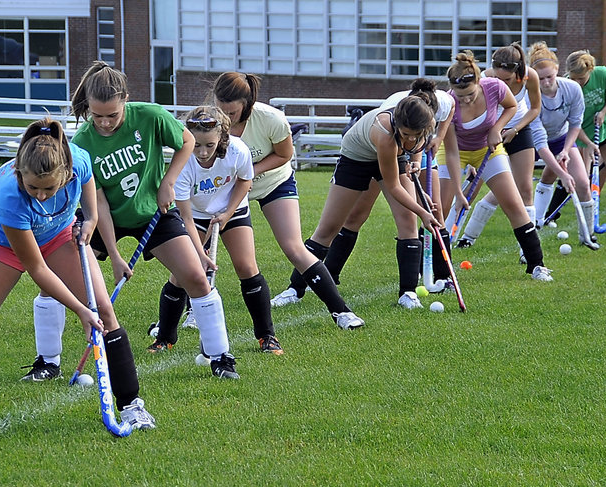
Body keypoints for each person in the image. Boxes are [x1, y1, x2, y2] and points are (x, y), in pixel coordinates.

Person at [0, 119, 155, 443]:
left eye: (50, 188)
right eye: (33, 188)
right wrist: (79, 310)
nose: (42, 196)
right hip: (1, 244)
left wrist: (91, 220)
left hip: (57, 234)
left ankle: (131, 405)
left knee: (103, 308)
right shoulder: (9, 195)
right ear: (19, 175)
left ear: (66, 174)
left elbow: (88, 183)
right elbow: (38, 269)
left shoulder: (78, 159)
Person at [24, 61, 239, 380]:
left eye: (112, 114)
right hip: (100, 219)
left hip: (152, 211)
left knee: (196, 275)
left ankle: (220, 356)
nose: (105, 122)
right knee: (53, 282)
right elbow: (97, 203)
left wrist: (168, 181)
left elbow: (187, 142)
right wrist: (113, 255)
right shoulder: (82, 142)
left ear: (125, 99)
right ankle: (47, 362)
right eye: (97, 115)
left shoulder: (149, 115)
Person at [270, 78, 457, 303]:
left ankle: (407, 293)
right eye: (405, 134)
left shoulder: (425, 123)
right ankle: (295, 289)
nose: (409, 138)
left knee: (407, 221)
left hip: (393, 159)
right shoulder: (386, 133)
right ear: (398, 123)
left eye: (414, 135)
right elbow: (393, 186)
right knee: (329, 227)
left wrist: (415, 162)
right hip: (356, 157)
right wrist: (423, 212)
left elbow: (417, 144)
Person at [212, 72, 364, 328]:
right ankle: (186, 314)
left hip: (273, 182)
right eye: (221, 110)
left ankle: (341, 312)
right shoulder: (209, 120)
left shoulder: (271, 118)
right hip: (227, 189)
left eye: (232, 113)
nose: (225, 118)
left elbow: (284, 155)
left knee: (294, 247)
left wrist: (251, 173)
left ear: (246, 104)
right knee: (200, 248)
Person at [172, 106, 284, 354]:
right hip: (196, 214)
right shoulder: (182, 160)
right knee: (182, 273)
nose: (202, 152)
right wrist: (199, 254)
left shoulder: (237, 150)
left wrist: (227, 214)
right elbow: (185, 217)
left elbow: (245, 180)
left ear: (222, 138)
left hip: (231, 208)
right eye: (196, 145)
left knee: (247, 267)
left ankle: (267, 336)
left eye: (209, 145)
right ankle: (165, 338)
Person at [447, 51, 553, 281]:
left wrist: (497, 129)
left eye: (470, 94)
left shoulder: (494, 87)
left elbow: (512, 107)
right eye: (460, 95)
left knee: (515, 204)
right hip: (455, 151)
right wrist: (457, 190)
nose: (465, 99)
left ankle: (537, 265)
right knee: (444, 207)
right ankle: (440, 271)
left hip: (489, 149)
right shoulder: (449, 102)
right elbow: (452, 151)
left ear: (478, 82)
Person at [527, 42, 598, 246]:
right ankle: (468, 236)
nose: (546, 82)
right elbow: (540, 143)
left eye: (550, 76)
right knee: (514, 189)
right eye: (540, 79)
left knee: (583, 184)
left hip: (561, 139)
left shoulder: (572, 88)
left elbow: (575, 123)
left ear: (557, 70)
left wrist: (566, 150)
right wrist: (563, 174)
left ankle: (587, 235)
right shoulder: (530, 97)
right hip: (532, 142)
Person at [564, 50, 606, 233]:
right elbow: (571, 123)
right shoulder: (567, 86)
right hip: (579, 132)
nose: (577, 82)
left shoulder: (603, 74)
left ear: (590, 70)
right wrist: (588, 143)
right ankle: (583, 222)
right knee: (583, 178)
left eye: (581, 78)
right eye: (573, 78)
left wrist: (603, 111)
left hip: (603, 128)